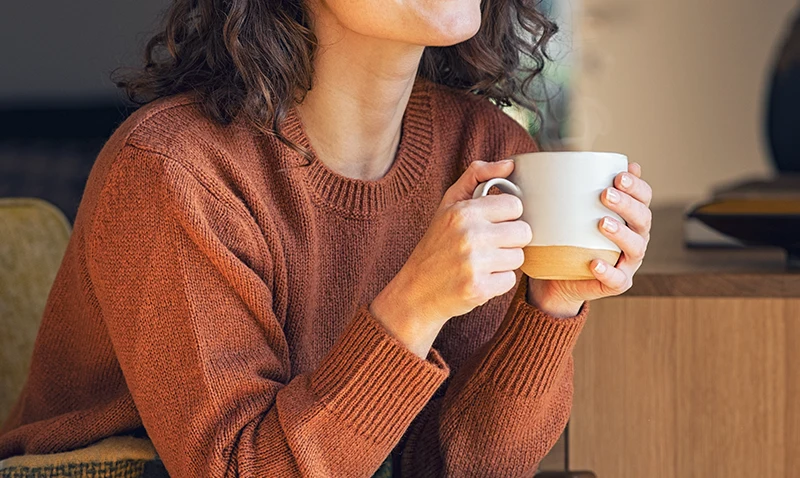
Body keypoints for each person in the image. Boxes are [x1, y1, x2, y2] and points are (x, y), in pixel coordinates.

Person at [0, 0, 653, 476]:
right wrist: (413, 307)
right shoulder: (175, 169)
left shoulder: (484, 151)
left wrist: (551, 305)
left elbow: (456, 466)